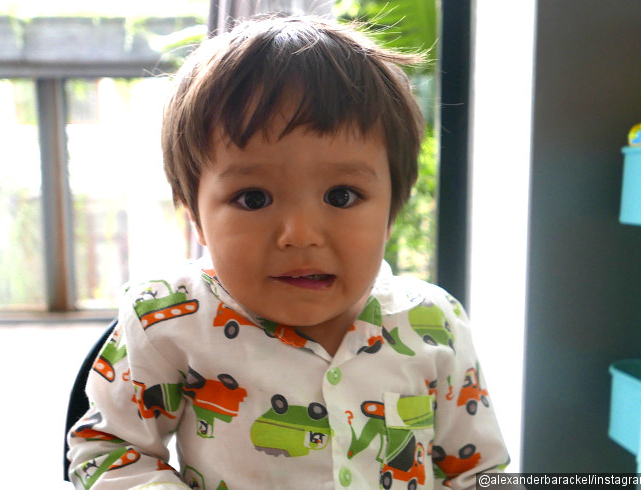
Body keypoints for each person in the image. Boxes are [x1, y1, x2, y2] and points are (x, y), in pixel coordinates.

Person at [67, 14, 509, 489]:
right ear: (194, 214)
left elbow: (477, 471)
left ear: (392, 209)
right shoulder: (169, 321)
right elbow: (108, 452)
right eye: (253, 198)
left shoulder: (434, 323)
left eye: (341, 196)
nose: (300, 235)